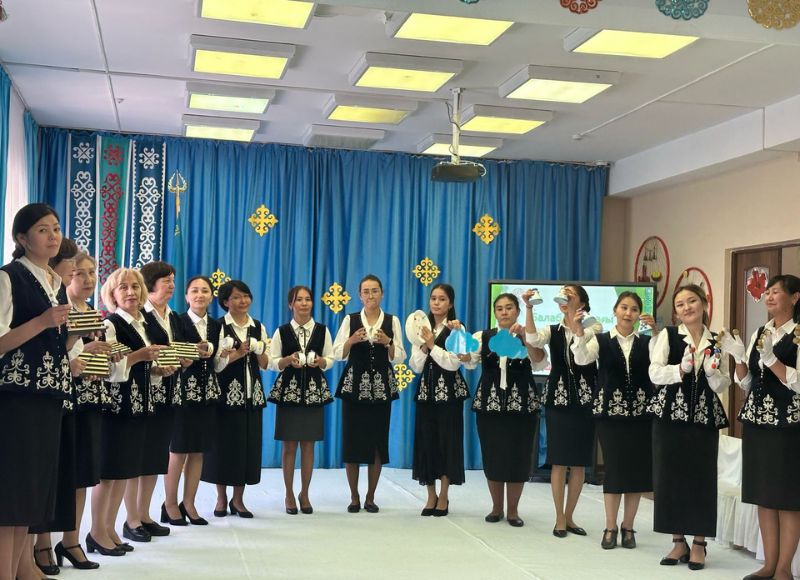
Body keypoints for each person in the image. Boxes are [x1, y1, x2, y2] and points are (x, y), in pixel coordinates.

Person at [0, 204, 73, 580]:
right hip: (17, 398)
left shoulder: (54, 282)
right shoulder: (8, 277)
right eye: (43, 230)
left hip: (48, 398)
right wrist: (42, 322)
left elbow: (52, 344)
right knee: (10, 497)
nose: (53, 236)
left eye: (56, 228)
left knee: (27, 496)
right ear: (22, 238)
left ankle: (18, 569)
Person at [649, 284, 729, 570]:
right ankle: (677, 541)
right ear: (676, 311)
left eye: (692, 301)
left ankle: (699, 543)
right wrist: (679, 370)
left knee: (701, 478)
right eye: (680, 304)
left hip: (704, 417)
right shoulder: (669, 335)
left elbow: (723, 384)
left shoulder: (717, 340)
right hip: (670, 416)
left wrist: (712, 374)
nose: (686, 308)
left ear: (704, 303)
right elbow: (654, 373)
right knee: (670, 476)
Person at [728, 275, 800, 580]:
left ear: (794, 297)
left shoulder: (798, 333)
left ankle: (784, 569)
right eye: (767, 292)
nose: (768, 297)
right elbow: (747, 383)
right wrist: (738, 358)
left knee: (787, 498)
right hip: (757, 422)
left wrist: (771, 360)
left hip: (788, 425)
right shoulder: (761, 331)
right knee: (764, 495)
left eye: (776, 292)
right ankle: (769, 564)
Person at [572, 291, 656, 550]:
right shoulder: (601, 340)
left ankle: (628, 526)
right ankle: (610, 526)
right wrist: (578, 331)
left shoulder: (647, 342)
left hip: (641, 416)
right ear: (615, 311)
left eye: (634, 309)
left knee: (637, 472)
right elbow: (581, 359)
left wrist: (656, 333)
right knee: (615, 469)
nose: (628, 313)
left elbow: (660, 363)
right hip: (609, 415)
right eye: (624, 307)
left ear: (639, 314)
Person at [88, 268, 162, 557]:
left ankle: (109, 528)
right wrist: (139, 357)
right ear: (112, 295)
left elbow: (140, 367)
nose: (131, 292)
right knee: (109, 473)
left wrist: (156, 369)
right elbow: (108, 370)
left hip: (138, 406)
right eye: (123, 288)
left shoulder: (143, 324)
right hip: (116, 407)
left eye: (135, 286)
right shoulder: (111, 325)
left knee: (123, 472)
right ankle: (96, 531)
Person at [525, 284, 598, 538]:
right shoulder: (552, 330)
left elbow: (584, 358)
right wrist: (529, 308)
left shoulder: (594, 328)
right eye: (563, 294)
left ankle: (570, 516)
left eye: (570, 294)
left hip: (584, 400)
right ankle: (559, 517)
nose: (564, 298)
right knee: (558, 460)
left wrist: (577, 328)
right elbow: (532, 340)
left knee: (578, 462)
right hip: (557, 400)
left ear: (582, 303)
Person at [55, 251, 111, 570]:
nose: (89, 279)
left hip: (91, 397)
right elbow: (52, 354)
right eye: (80, 273)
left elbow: (91, 359)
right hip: (65, 399)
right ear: (67, 276)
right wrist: (82, 349)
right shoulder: (58, 309)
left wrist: (104, 358)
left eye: (92, 273)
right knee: (61, 471)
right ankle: (43, 544)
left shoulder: (92, 312)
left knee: (83, 473)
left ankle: (71, 540)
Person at [470, 292, 546, 527]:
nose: (504, 312)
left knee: (518, 456)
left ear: (518, 311)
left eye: (509, 307)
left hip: (522, 406)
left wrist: (526, 339)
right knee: (493, 455)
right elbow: (468, 361)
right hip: (489, 405)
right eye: (500, 308)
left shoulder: (528, 335)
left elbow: (540, 361)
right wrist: (459, 345)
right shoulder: (483, 336)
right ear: (495, 312)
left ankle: (513, 511)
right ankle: (496, 508)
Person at [333, 274, 406, 514]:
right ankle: (354, 496)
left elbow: (400, 357)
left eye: (375, 291)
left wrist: (388, 342)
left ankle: (370, 497)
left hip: (382, 389)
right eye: (366, 291)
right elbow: (337, 353)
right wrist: (352, 340)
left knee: (377, 442)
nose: (370, 295)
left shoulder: (392, 321)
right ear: (359, 295)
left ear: (382, 293)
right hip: (354, 388)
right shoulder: (350, 319)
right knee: (352, 442)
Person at [123, 261, 184, 542]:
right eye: (166, 280)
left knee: (155, 458)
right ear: (150, 285)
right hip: (144, 393)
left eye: (172, 280)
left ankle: (145, 514)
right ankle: (131, 519)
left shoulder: (174, 317)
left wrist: (184, 358)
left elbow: (177, 350)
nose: (171, 285)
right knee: (136, 458)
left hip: (168, 392)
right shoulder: (141, 316)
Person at [162, 275, 229, 526]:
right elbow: (171, 353)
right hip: (181, 393)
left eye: (205, 291)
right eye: (194, 291)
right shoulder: (176, 321)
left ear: (211, 296)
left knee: (198, 451)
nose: (200, 295)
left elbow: (218, 364)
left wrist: (224, 355)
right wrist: (191, 352)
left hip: (207, 393)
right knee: (178, 450)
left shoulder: (217, 325)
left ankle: (189, 502)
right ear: (187, 296)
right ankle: (169, 503)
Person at [201, 280, 269, 518]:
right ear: (225, 302)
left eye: (246, 296)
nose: (243, 301)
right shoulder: (219, 326)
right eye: (237, 297)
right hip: (224, 396)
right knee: (223, 447)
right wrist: (238, 353)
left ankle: (238, 500)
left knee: (246, 448)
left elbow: (265, 364)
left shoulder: (258, 326)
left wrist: (259, 350)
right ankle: (221, 498)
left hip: (252, 396)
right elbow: (216, 365)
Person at [268, 285, 334, 515]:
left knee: (308, 445)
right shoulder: (282, 331)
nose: (304, 303)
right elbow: (272, 362)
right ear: (291, 304)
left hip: (314, 393)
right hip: (289, 393)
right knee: (289, 445)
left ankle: (304, 493)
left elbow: (331, 359)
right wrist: (287, 360)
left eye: (308, 299)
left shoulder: (322, 330)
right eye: (299, 300)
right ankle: (288, 493)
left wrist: (321, 362)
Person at [408, 284, 470, 517]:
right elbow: (415, 365)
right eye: (433, 298)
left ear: (450, 303)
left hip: (449, 394)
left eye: (442, 299)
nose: (436, 303)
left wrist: (433, 345)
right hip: (426, 393)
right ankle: (430, 495)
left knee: (447, 442)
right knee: (427, 442)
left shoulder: (457, 328)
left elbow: (454, 363)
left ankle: (444, 495)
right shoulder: (420, 328)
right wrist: (424, 347)